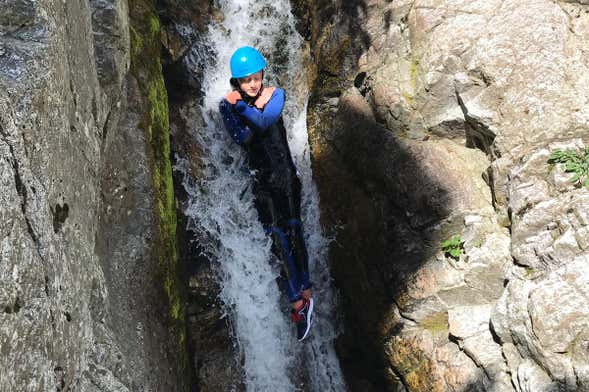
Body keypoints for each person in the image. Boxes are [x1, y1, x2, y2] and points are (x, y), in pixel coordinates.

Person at [218, 46, 314, 341]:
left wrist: (240, 106)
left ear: (262, 74)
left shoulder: (276, 95)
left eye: (255, 77)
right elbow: (243, 137)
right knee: (274, 238)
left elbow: (262, 122)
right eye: (245, 80)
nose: (252, 84)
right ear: (237, 82)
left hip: (285, 176)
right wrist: (232, 107)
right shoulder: (227, 106)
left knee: (294, 229)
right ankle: (296, 300)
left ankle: (307, 290)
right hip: (260, 181)